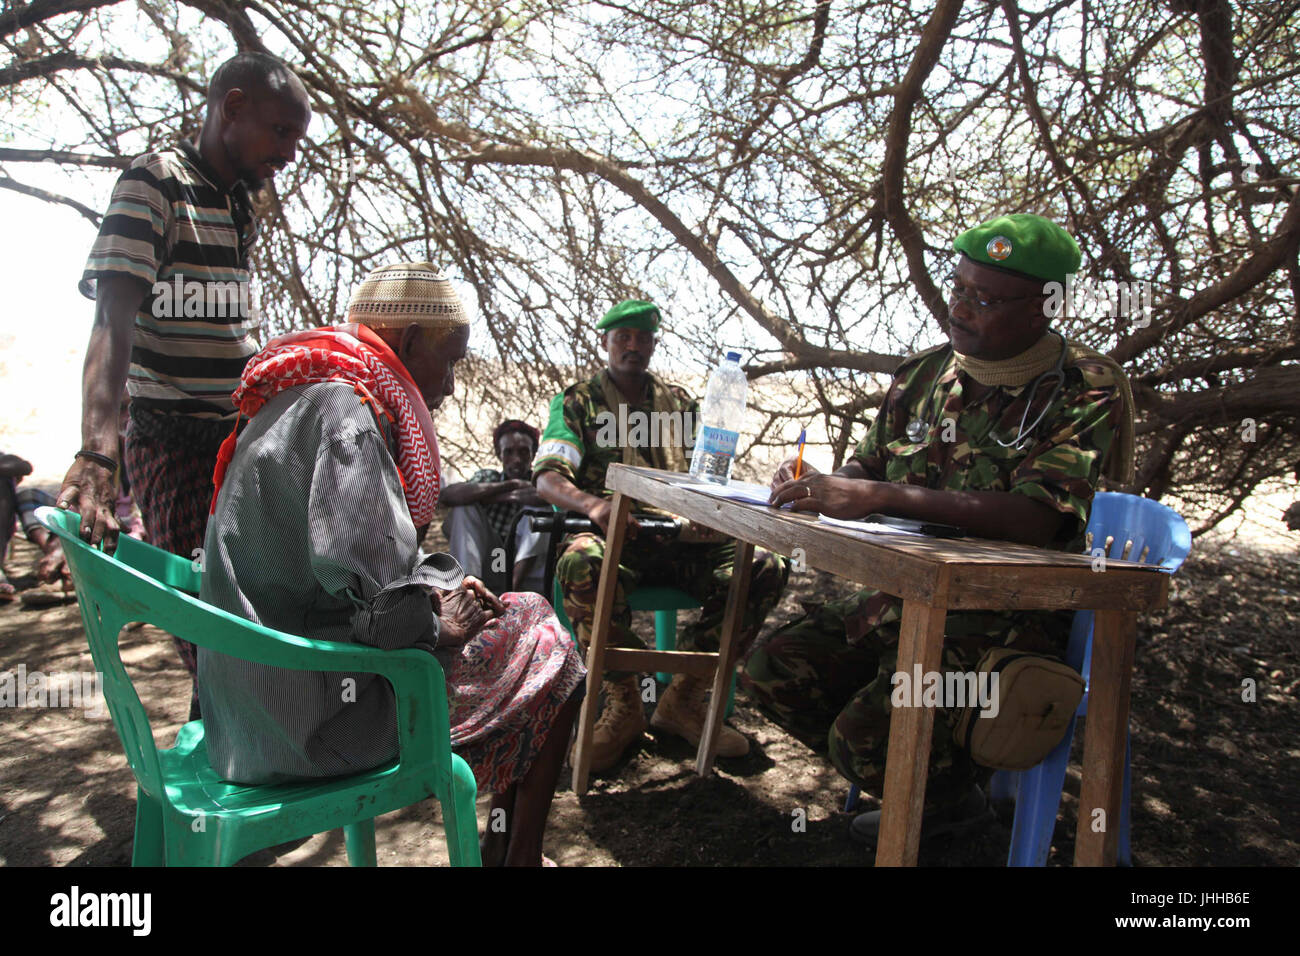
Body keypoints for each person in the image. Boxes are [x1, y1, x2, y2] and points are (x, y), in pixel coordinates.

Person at [745, 213, 1135, 846]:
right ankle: (943, 799)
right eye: (958, 288)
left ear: (1044, 308)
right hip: (908, 594)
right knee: (770, 671)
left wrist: (876, 494)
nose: (960, 308)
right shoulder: (925, 374)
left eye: (984, 299)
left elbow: (1037, 516)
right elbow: (869, 462)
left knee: (864, 739)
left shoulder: (1082, 388)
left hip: (1011, 618)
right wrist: (823, 484)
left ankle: (943, 800)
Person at [199, 262, 586, 867]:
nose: (453, 385)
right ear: (406, 342)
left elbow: (340, 571)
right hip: (312, 725)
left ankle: (509, 851)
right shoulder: (345, 412)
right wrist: (439, 620)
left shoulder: (300, 392)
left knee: (520, 619)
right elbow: (388, 617)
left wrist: (445, 588)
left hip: (243, 708)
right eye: (451, 360)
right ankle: (519, 856)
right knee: (549, 641)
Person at [56, 52, 312, 715]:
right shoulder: (154, 183)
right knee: (213, 625)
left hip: (237, 438)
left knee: (264, 617)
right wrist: (96, 453)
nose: (288, 154)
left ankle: (244, 767)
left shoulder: (236, 205)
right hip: (173, 440)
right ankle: (227, 789)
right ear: (232, 107)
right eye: (281, 131)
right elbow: (111, 319)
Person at [534, 299, 790, 771]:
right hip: (616, 538)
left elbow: (713, 472)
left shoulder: (681, 403)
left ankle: (685, 699)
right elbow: (548, 476)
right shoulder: (578, 402)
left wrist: (711, 511)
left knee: (765, 567)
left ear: (653, 343)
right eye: (623, 337)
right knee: (579, 562)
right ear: (605, 342)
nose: (633, 346)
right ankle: (623, 703)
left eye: (643, 337)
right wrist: (594, 505)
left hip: (682, 540)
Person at [440, 420, 550, 594]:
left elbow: (544, 496)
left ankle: (510, 595)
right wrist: (510, 486)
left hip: (527, 574)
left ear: (533, 454)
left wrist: (488, 497)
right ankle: (468, 590)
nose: (516, 459)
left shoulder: (540, 479)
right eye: (509, 452)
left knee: (539, 513)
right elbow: (448, 496)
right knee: (463, 509)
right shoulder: (488, 476)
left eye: (523, 452)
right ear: (499, 454)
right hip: (490, 565)